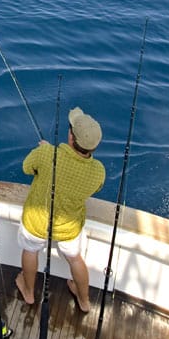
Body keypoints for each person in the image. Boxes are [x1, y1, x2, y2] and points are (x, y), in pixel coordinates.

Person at [15, 106, 105, 312]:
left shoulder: (47, 154)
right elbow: (96, 186)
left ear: (71, 138)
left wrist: (45, 151)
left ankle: (28, 292)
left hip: (36, 223)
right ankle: (84, 300)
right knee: (75, 258)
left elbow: (27, 167)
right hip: (69, 228)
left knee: (30, 250)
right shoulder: (98, 171)